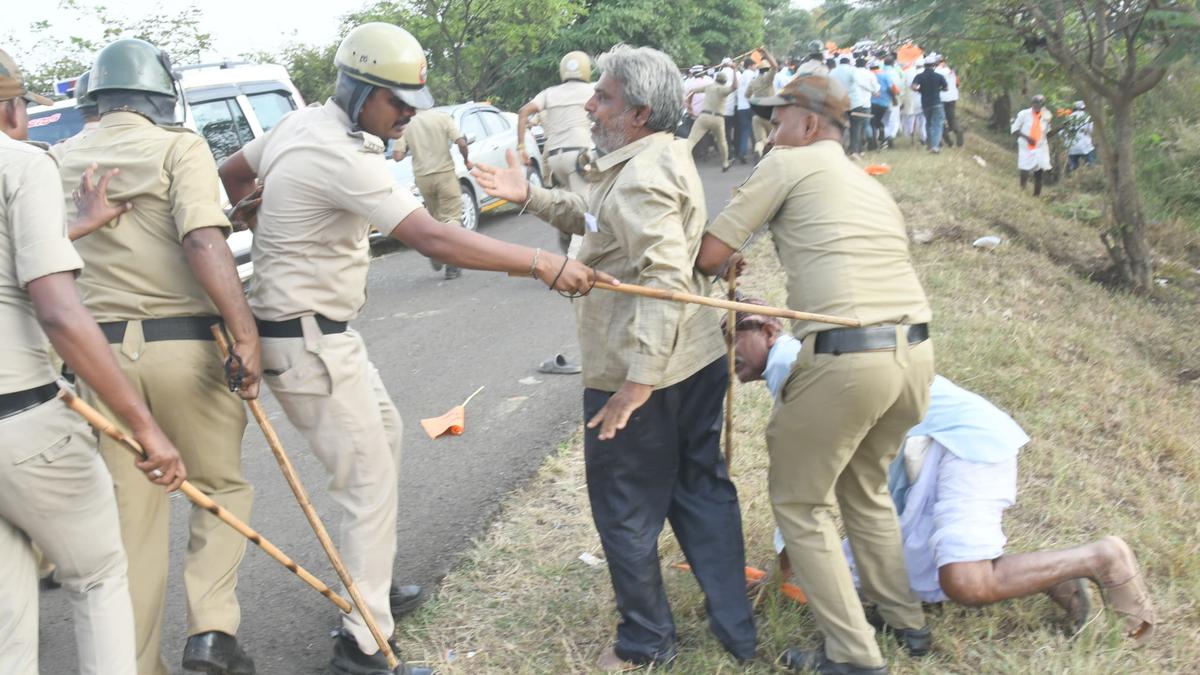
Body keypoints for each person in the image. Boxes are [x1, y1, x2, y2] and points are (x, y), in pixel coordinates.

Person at [218, 23, 606, 675]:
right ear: (363, 90)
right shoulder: (343, 154)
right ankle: (362, 647)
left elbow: (231, 175)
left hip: (321, 335)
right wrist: (540, 260)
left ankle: (368, 585)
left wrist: (257, 208)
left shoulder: (302, 126)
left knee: (388, 437)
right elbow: (433, 237)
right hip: (309, 341)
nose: (406, 117)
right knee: (366, 481)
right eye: (398, 104)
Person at [473, 43, 756, 671]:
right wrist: (530, 197)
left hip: (641, 371)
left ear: (639, 112)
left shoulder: (646, 175)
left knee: (625, 508)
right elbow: (598, 218)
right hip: (694, 355)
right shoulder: (653, 156)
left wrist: (635, 386)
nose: (591, 106)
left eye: (603, 97)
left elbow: (664, 281)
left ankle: (646, 643)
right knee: (700, 487)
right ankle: (737, 631)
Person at [725, 309, 1157, 650]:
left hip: (955, 445)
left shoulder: (788, 360)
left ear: (768, 328)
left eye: (734, 336)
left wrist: (782, 573)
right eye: (720, 345)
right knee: (872, 580)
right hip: (923, 468)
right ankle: (1049, 575)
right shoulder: (799, 361)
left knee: (965, 583)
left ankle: (1102, 557)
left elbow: (801, 483)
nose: (730, 354)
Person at [696, 73, 934, 674]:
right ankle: (903, 619)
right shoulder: (864, 182)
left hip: (849, 360)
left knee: (799, 504)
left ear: (805, 124)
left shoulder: (786, 163)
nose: (771, 133)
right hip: (914, 357)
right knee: (865, 487)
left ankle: (855, 656)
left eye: (777, 123)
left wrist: (719, 252)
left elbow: (707, 257)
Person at [50, 37, 262, 675]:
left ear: (94, 98)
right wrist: (244, 330)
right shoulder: (178, 146)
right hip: (185, 349)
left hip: (98, 363)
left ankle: (136, 666)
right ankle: (212, 630)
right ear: (161, 96)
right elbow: (202, 240)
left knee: (131, 529)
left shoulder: (55, 158)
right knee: (219, 488)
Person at [0, 46, 188, 675]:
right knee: (100, 576)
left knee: (9, 622)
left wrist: (76, 225)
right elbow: (57, 309)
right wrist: (146, 428)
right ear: (10, 106)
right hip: (23, 421)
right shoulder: (21, 163)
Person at [517, 51, 593, 257]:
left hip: (554, 158)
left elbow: (524, 112)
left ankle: (565, 231)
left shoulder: (549, 93)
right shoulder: (592, 90)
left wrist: (521, 148)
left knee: (566, 201)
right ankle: (577, 258)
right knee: (588, 207)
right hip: (580, 156)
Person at [392, 109, 471, 279]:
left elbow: (397, 155)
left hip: (423, 179)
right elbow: (461, 143)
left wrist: (411, 147)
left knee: (436, 219)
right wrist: (466, 160)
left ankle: (436, 254)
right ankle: (452, 265)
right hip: (445, 174)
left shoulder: (407, 123)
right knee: (452, 218)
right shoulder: (442, 118)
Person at [685, 68, 738, 171]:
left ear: (715, 79)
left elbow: (692, 91)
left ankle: (682, 159)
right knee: (722, 142)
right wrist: (734, 70)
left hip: (704, 116)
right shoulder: (723, 89)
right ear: (725, 81)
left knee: (691, 140)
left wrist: (689, 106)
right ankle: (725, 163)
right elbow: (735, 86)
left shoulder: (709, 87)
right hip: (718, 119)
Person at [1011, 94, 1053, 196]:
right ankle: (1022, 190)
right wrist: (1027, 138)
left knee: (1039, 173)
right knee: (1024, 169)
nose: (1036, 105)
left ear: (1043, 105)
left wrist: (1061, 128)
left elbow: (1047, 133)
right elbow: (1014, 130)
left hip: (1040, 148)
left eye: (1039, 103)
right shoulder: (1024, 114)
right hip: (1026, 147)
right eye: (1034, 102)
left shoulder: (1046, 116)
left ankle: (1036, 196)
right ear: (1031, 103)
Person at [746, 49, 780, 159]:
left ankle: (759, 151)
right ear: (768, 69)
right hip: (770, 114)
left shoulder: (753, 81)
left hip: (757, 115)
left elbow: (747, 95)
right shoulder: (767, 79)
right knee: (774, 140)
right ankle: (772, 159)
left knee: (761, 140)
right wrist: (767, 55)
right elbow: (775, 66)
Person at [911, 56, 948, 153]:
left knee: (928, 123)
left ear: (924, 65)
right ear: (934, 65)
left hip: (925, 104)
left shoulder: (919, 76)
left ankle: (929, 144)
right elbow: (946, 88)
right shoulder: (939, 76)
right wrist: (939, 89)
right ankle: (934, 147)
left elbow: (913, 87)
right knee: (937, 124)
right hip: (937, 103)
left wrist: (920, 90)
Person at [847, 57, 880, 157]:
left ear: (855, 64)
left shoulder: (852, 73)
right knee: (865, 126)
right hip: (866, 103)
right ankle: (870, 144)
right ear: (865, 65)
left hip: (853, 103)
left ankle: (855, 147)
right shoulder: (870, 74)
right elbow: (876, 88)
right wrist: (874, 91)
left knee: (854, 127)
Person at [935, 58, 964, 147]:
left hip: (941, 98)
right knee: (951, 118)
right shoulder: (952, 71)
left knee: (940, 119)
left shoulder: (936, 71)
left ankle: (946, 139)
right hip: (952, 98)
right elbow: (957, 84)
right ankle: (959, 134)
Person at [734, 57, 757, 164]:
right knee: (756, 130)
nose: (755, 67)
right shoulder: (751, 75)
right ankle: (757, 152)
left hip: (741, 107)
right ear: (750, 66)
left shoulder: (741, 76)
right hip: (750, 106)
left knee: (745, 131)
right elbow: (751, 90)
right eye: (754, 65)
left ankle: (742, 152)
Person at [867, 62, 895, 150]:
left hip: (871, 102)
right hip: (884, 102)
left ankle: (873, 143)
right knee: (879, 120)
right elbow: (891, 88)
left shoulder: (868, 75)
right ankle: (882, 132)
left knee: (872, 122)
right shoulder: (885, 75)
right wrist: (894, 98)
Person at [899, 59, 925, 146]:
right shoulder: (925, 72)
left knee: (909, 117)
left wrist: (901, 99)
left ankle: (909, 135)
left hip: (910, 98)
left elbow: (902, 86)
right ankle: (923, 137)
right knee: (922, 120)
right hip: (923, 99)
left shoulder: (907, 72)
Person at [1066, 100, 1096, 173]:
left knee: (1074, 168)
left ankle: (1073, 180)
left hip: (1072, 147)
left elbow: (1063, 132)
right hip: (1085, 146)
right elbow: (1091, 130)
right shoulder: (1086, 117)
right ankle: (1091, 175)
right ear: (1083, 108)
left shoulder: (1068, 118)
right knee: (1091, 165)